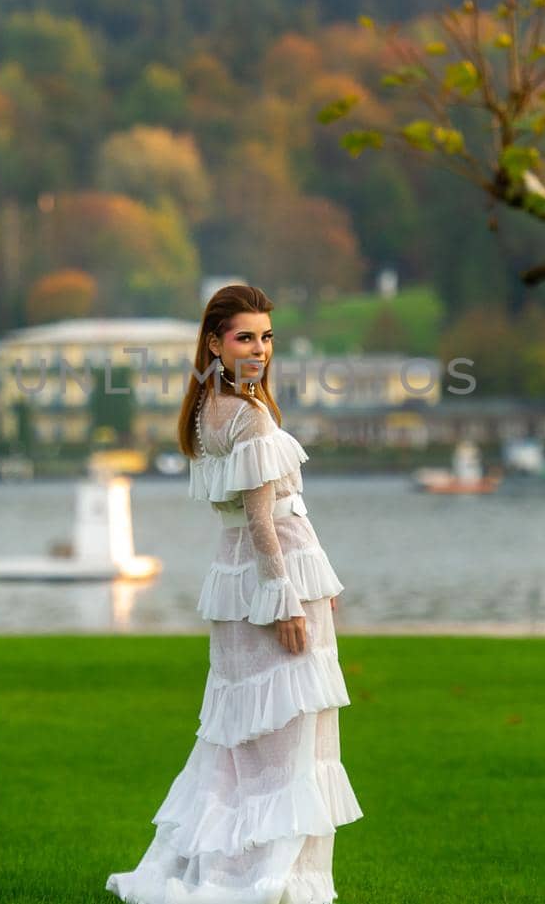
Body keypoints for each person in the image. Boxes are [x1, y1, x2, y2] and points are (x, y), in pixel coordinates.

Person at [106, 285, 362, 904]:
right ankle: (268, 880)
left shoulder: (207, 410)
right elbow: (262, 519)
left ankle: (220, 867)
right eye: (245, 337)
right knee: (286, 741)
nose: (259, 350)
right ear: (215, 343)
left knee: (238, 740)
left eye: (267, 337)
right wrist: (287, 599)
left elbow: (254, 518)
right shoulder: (249, 416)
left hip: (240, 579)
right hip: (271, 578)